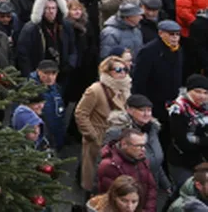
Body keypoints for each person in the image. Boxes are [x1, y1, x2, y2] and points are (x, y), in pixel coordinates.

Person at [77, 55, 134, 193]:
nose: (123, 73)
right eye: (118, 69)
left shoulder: (125, 88)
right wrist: (92, 135)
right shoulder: (95, 90)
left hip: (118, 138)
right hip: (100, 138)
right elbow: (80, 113)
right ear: (107, 71)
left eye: (125, 69)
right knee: (95, 180)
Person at [132, 20, 184, 127]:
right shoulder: (149, 51)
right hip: (153, 100)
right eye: (171, 34)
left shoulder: (178, 50)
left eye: (177, 34)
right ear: (161, 33)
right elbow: (139, 80)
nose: (175, 37)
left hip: (171, 99)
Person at [97, 128, 157, 211]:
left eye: (144, 145)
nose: (143, 149)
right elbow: (112, 199)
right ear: (124, 144)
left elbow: (151, 188)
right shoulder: (110, 166)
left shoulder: (141, 160)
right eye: (139, 146)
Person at [169, 75, 208, 187]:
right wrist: (203, 140)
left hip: (203, 159)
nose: (202, 96)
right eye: (198, 91)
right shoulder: (178, 109)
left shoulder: (206, 108)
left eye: (205, 93)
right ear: (188, 91)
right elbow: (182, 141)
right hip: (182, 161)